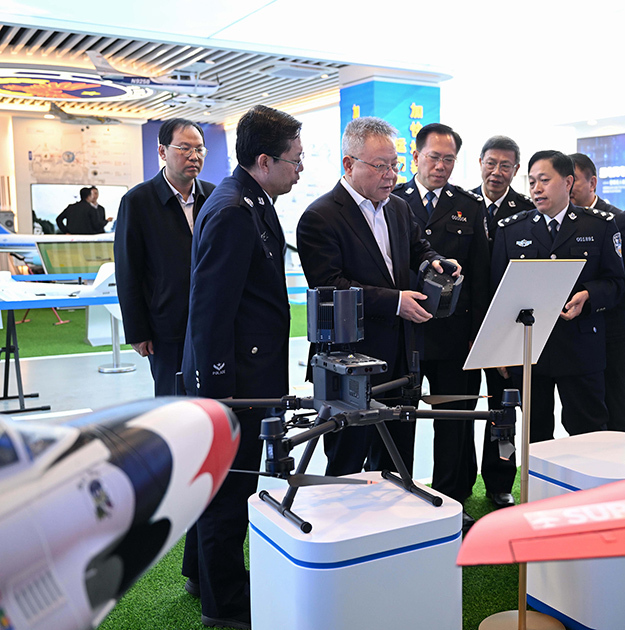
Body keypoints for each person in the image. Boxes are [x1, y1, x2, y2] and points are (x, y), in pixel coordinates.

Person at [181, 105, 303, 630]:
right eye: (295, 159)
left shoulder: (250, 199)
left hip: (248, 374)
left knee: (223, 485)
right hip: (235, 383)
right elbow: (210, 310)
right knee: (229, 491)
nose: (300, 168)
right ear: (264, 160)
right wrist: (219, 393)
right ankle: (225, 604)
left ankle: (201, 575)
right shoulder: (234, 209)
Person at [296, 116, 457, 478]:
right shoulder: (320, 216)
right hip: (349, 361)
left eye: (395, 165)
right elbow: (330, 285)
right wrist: (396, 302)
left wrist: (435, 261)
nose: (391, 175)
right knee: (348, 459)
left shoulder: (397, 207)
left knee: (397, 457)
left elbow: (418, 247)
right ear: (349, 164)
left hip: (400, 356)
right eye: (380, 166)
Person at [492, 150, 625, 442]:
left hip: (581, 348)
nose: (536, 189)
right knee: (535, 435)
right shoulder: (511, 230)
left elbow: (617, 283)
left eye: (544, 180)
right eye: (531, 182)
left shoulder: (599, 226)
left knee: (589, 433)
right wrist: (502, 349)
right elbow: (498, 293)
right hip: (530, 350)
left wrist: (588, 295)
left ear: (567, 182)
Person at [392, 123, 488, 530]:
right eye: (434, 157)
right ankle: (398, 500)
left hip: (454, 337)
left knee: (454, 423)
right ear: (416, 157)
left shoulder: (469, 205)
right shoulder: (392, 199)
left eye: (449, 159)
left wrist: (478, 334)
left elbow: (480, 275)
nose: (441, 166)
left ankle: (451, 503)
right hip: (405, 334)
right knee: (400, 421)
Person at [114, 118, 215, 396]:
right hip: (166, 325)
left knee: (214, 396)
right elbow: (128, 271)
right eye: (184, 148)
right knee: (172, 398)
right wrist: (137, 331)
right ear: (162, 151)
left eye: (199, 149)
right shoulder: (138, 201)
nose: (193, 156)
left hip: (212, 320)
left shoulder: (214, 196)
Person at [569, 153, 625, 432]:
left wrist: (603, 303)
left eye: (573, 181)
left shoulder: (620, 221)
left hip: (612, 336)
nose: (567, 188)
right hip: (575, 337)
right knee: (580, 416)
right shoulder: (563, 223)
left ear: (592, 182)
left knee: (614, 412)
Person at [472, 135, 534, 508]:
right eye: (491, 163)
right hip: (467, 328)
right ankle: (458, 481)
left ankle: (499, 481)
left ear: (515, 169)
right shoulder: (461, 205)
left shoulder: (527, 211)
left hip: (509, 330)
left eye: (506, 165)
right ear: (480, 162)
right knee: (461, 410)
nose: (497, 172)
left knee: (503, 412)